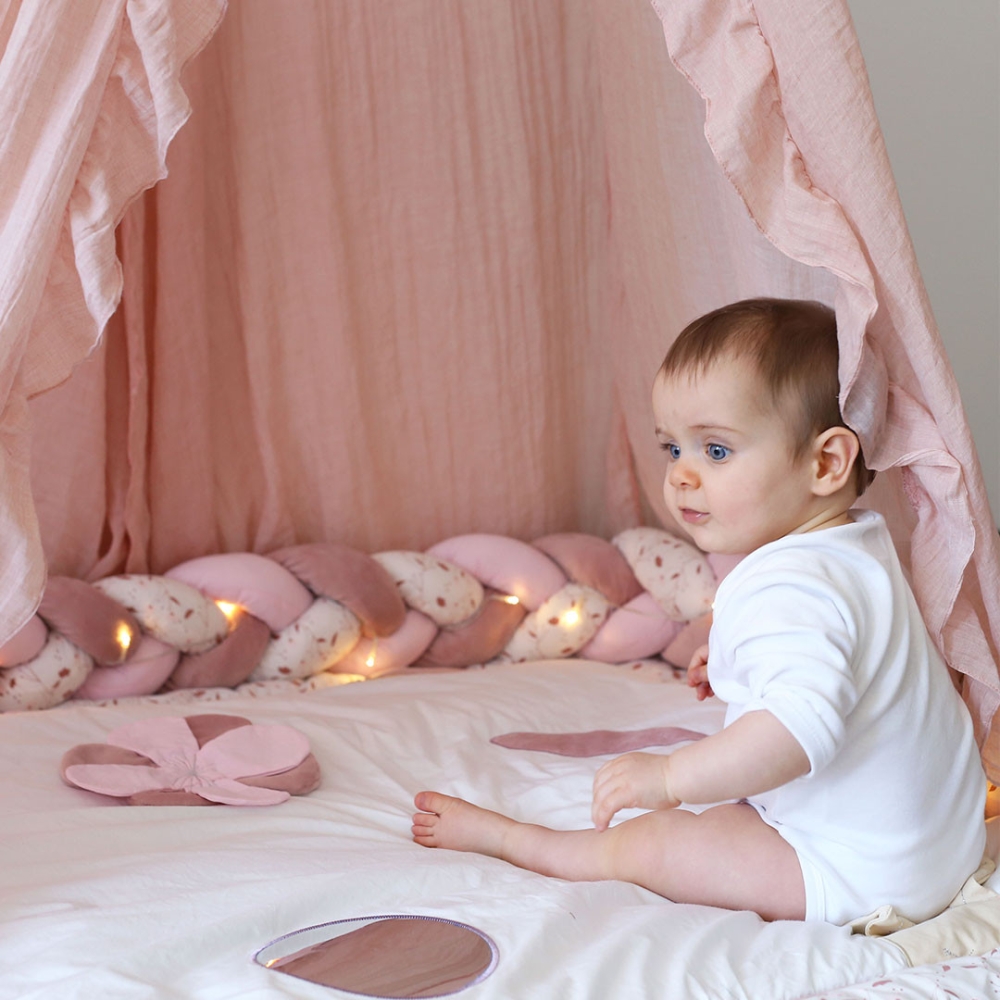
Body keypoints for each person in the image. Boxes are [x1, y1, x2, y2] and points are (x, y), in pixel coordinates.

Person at [412, 298, 986, 925]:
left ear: (825, 462)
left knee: (663, 842)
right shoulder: (856, 547)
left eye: (715, 451)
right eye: (671, 448)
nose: (682, 476)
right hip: (939, 845)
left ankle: (524, 843)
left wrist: (670, 780)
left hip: (861, 872)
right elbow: (852, 658)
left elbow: (797, 733)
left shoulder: (791, 586)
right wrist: (738, 658)